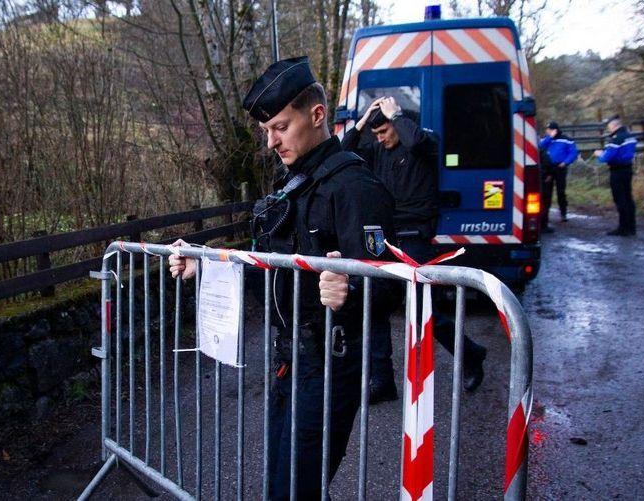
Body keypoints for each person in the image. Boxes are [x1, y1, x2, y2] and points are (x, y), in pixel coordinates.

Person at [168, 56, 397, 499]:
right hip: (287, 359)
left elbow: (391, 284)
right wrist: (204, 267)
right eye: (266, 132)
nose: (271, 141)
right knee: (281, 482)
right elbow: (267, 274)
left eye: (280, 127)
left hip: (330, 363)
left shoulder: (354, 187)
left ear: (316, 115)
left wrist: (350, 289)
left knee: (296, 488)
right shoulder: (293, 183)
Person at [341, 96, 487, 403]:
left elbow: (420, 142)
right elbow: (344, 152)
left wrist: (397, 116)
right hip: (384, 236)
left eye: (385, 131)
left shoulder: (420, 143)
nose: (380, 138)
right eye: (376, 133)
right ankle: (382, 380)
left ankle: (471, 354)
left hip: (414, 236)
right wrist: (363, 121)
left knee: (422, 308)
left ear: (397, 124)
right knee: (374, 304)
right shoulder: (377, 150)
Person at [594, 116, 637, 236]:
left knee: (620, 199)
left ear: (613, 126)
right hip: (628, 169)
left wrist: (599, 154)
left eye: (609, 127)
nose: (609, 129)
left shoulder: (616, 139)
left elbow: (606, 157)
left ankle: (623, 228)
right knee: (628, 198)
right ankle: (631, 227)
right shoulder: (630, 136)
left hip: (617, 171)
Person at [538, 121, 579, 231]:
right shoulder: (546, 139)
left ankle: (563, 213)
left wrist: (566, 162)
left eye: (549, 130)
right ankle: (545, 216)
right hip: (548, 169)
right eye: (547, 130)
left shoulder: (567, 140)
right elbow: (540, 148)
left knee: (561, 191)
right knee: (547, 192)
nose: (548, 131)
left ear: (555, 130)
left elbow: (573, 153)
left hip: (561, 167)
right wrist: (548, 138)